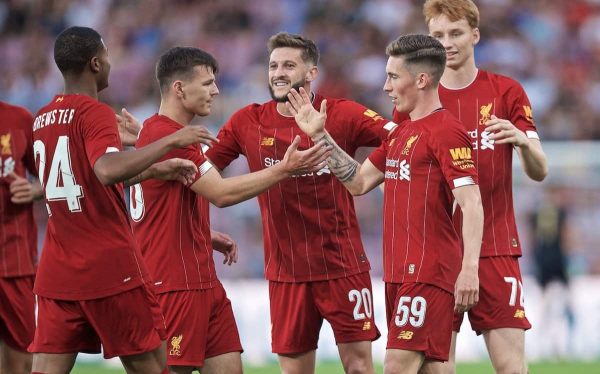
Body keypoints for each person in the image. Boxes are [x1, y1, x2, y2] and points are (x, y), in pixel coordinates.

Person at [286, 34, 483, 374]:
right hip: (397, 273)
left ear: (421, 80)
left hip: (428, 272)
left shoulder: (447, 131)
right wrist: (321, 135)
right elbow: (359, 182)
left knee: (396, 365)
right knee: (432, 369)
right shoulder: (401, 133)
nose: (385, 86)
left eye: (393, 76)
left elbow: (472, 202)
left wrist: (469, 269)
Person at [203, 32, 397, 374]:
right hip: (286, 274)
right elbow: (201, 174)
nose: (278, 72)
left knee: (359, 368)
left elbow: (401, 138)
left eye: (289, 65)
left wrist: (372, 176)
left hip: (343, 267)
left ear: (311, 73)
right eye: (273, 65)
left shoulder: (341, 113)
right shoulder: (246, 121)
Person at [129, 46, 330, 374]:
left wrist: (201, 235)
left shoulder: (161, 134)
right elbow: (220, 194)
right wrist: (284, 169)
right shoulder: (166, 136)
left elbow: (155, 205)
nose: (216, 91)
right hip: (174, 285)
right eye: (207, 83)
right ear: (179, 88)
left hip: (203, 281)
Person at [28, 26, 217, 374]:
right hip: (110, 269)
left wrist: (153, 171)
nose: (112, 64)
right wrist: (170, 141)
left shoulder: (41, 119)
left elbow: (87, 181)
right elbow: (105, 171)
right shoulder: (94, 112)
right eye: (109, 57)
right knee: (153, 367)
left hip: (58, 270)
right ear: (96, 64)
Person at [392, 1, 548, 373]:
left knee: (512, 367)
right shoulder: (414, 97)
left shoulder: (505, 92)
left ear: (474, 35)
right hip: (438, 259)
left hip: (495, 249)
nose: (447, 42)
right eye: (438, 35)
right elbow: (395, 175)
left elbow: (540, 170)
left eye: (455, 33)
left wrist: (524, 144)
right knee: (439, 368)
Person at [0, 101, 42, 374]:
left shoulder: (18, 119)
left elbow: (49, 176)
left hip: (14, 260)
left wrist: (33, 189)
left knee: (22, 360)